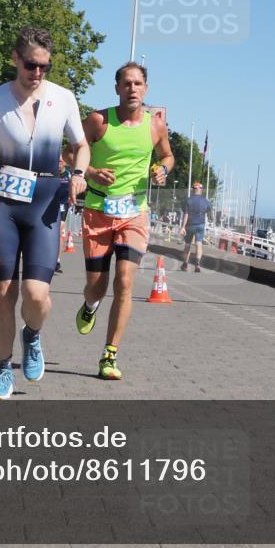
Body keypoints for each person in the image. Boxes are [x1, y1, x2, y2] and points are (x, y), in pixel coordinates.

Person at [0, 27, 89, 399]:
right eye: (31, 65)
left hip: (45, 202)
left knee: (36, 294)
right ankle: (4, 369)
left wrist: (79, 174)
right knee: (4, 293)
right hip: (4, 202)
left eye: (44, 67)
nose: (37, 73)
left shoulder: (63, 98)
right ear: (15, 59)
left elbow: (81, 145)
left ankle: (32, 335)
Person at [72, 62, 173, 380]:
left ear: (146, 89)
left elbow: (167, 156)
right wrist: (90, 172)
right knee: (97, 286)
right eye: (126, 83)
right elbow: (69, 153)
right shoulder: (98, 121)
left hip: (134, 212)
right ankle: (90, 305)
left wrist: (162, 170)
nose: (132, 89)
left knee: (125, 281)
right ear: (117, 88)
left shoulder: (155, 125)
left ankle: (109, 354)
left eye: (138, 83)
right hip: (98, 211)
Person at [180, 182, 211, 272]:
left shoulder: (188, 200)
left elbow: (186, 214)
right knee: (199, 243)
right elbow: (208, 209)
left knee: (188, 244)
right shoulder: (205, 201)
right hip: (200, 224)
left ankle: (185, 264)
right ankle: (197, 263)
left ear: (193, 190)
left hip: (189, 225)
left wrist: (183, 226)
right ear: (201, 190)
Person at [54, 156, 71, 274]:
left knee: (59, 232)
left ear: (64, 162)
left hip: (62, 205)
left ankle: (57, 261)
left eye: (61, 160)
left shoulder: (69, 175)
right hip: (48, 205)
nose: (59, 163)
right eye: (57, 160)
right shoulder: (50, 173)